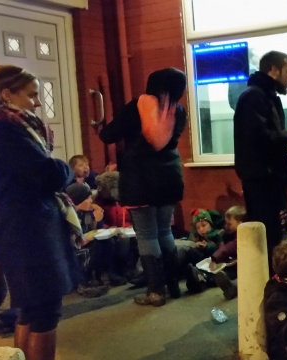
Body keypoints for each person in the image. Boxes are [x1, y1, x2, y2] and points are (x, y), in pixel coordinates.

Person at [0, 65, 79, 360]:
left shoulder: (11, 127)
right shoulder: (5, 130)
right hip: (28, 228)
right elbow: (48, 174)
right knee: (45, 308)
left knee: (31, 307)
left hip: (22, 225)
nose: (39, 103)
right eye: (32, 96)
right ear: (7, 94)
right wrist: (66, 167)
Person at [99, 67, 188, 307]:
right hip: (170, 175)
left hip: (141, 178)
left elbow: (108, 135)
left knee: (147, 235)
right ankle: (172, 286)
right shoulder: (178, 110)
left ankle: (155, 292)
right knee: (165, 232)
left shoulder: (138, 107)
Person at [233, 50, 287, 273]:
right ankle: (271, 284)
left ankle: (277, 281)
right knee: (269, 233)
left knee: (277, 231)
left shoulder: (264, 95)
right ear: (273, 70)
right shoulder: (254, 96)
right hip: (262, 179)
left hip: (269, 177)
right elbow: (258, 137)